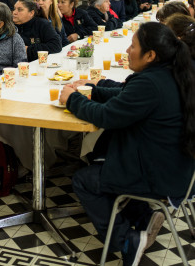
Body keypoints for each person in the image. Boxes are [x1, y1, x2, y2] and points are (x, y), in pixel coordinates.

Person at [60, 22, 195, 266]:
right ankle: (142, 218)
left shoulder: (150, 82)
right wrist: (94, 89)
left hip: (160, 175)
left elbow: (106, 116)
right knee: (102, 153)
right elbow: (126, 96)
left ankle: (126, 240)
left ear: (151, 55)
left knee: (83, 179)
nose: (127, 51)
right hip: (179, 166)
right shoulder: (173, 71)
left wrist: (73, 100)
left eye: (133, 46)